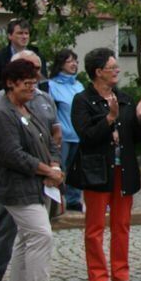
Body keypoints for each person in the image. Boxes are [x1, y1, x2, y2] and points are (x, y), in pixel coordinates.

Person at [70, 48, 141, 281]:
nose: (117, 71)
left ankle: (121, 275)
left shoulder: (126, 98)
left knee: (122, 225)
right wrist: (109, 119)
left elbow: (139, 139)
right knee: (95, 227)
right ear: (98, 72)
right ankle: (98, 278)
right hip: (97, 170)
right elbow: (86, 136)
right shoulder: (83, 100)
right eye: (112, 67)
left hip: (124, 169)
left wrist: (140, 118)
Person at [0, 49, 61, 281]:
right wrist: (46, 169)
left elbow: (50, 136)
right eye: (27, 84)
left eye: (35, 82)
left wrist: (54, 165)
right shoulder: (2, 111)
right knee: (40, 235)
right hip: (16, 186)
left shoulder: (28, 106)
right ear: (11, 83)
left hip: (37, 184)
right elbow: (11, 154)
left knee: (27, 238)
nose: (32, 88)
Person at [48, 48, 84, 212]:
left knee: (76, 170)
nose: (74, 64)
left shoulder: (79, 85)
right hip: (63, 136)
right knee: (59, 169)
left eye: (75, 61)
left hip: (79, 134)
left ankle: (74, 199)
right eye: (70, 61)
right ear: (61, 64)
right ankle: (55, 200)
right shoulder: (51, 85)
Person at [0, 18, 48, 93]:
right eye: (20, 33)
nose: (24, 37)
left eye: (26, 33)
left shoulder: (37, 56)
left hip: (35, 99)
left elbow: (43, 82)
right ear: (10, 36)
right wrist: (14, 84)